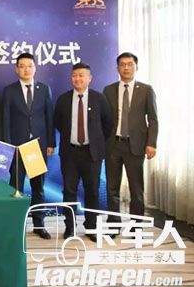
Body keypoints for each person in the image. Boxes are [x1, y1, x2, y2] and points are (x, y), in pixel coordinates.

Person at [54, 63, 112, 242]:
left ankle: (91, 227)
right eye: (74, 75)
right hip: (70, 153)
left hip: (92, 153)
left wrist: (95, 142)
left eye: (81, 75)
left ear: (89, 78)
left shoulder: (99, 98)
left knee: (92, 191)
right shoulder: (63, 99)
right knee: (69, 191)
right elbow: (58, 123)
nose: (77, 79)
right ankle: (70, 227)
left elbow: (108, 124)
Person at [2, 52, 55, 239]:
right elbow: (5, 119)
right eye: (22, 66)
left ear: (35, 68)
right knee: (16, 188)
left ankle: (39, 225)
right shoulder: (9, 90)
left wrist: (51, 143)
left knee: (38, 188)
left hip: (37, 147)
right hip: (17, 147)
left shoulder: (44, 89)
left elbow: (49, 117)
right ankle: (14, 225)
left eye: (29, 66)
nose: (26, 69)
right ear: (16, 69)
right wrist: (8, 145)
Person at [104, 52, 158, 221]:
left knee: (136, 188)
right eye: (122, 64)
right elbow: (103, 118)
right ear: (117, 68)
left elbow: (153, 119)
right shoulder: (109, 90)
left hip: (135, 145)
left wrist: (151, 143)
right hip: (113, 145)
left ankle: (136, 224)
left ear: (136, 67)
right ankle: (114, 223)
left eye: (130, 64)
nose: (126, 68)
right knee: (112, 188)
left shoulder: (146, 90)